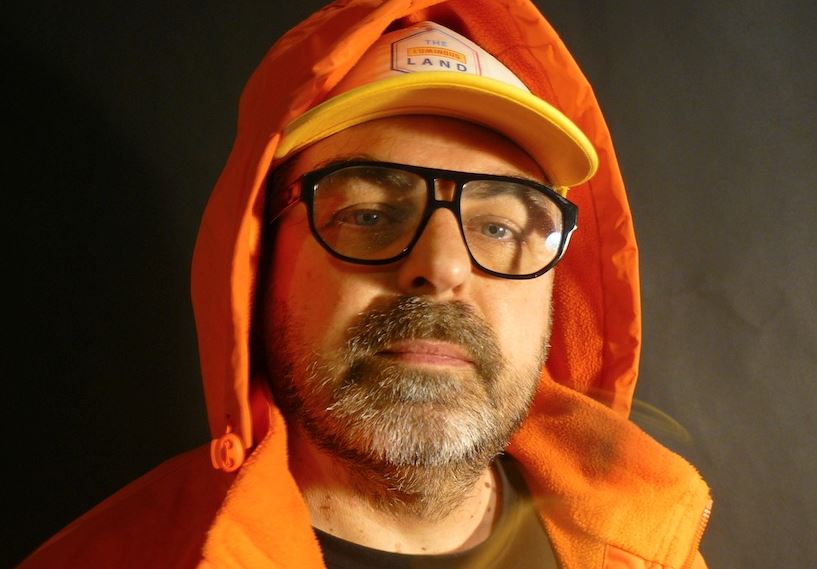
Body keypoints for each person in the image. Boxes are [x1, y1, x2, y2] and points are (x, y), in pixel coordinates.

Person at [22, 1, 712, 567]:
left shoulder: (643, 547)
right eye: (369, 214)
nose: (443, 268)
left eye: (498, 226)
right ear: (259, 261)